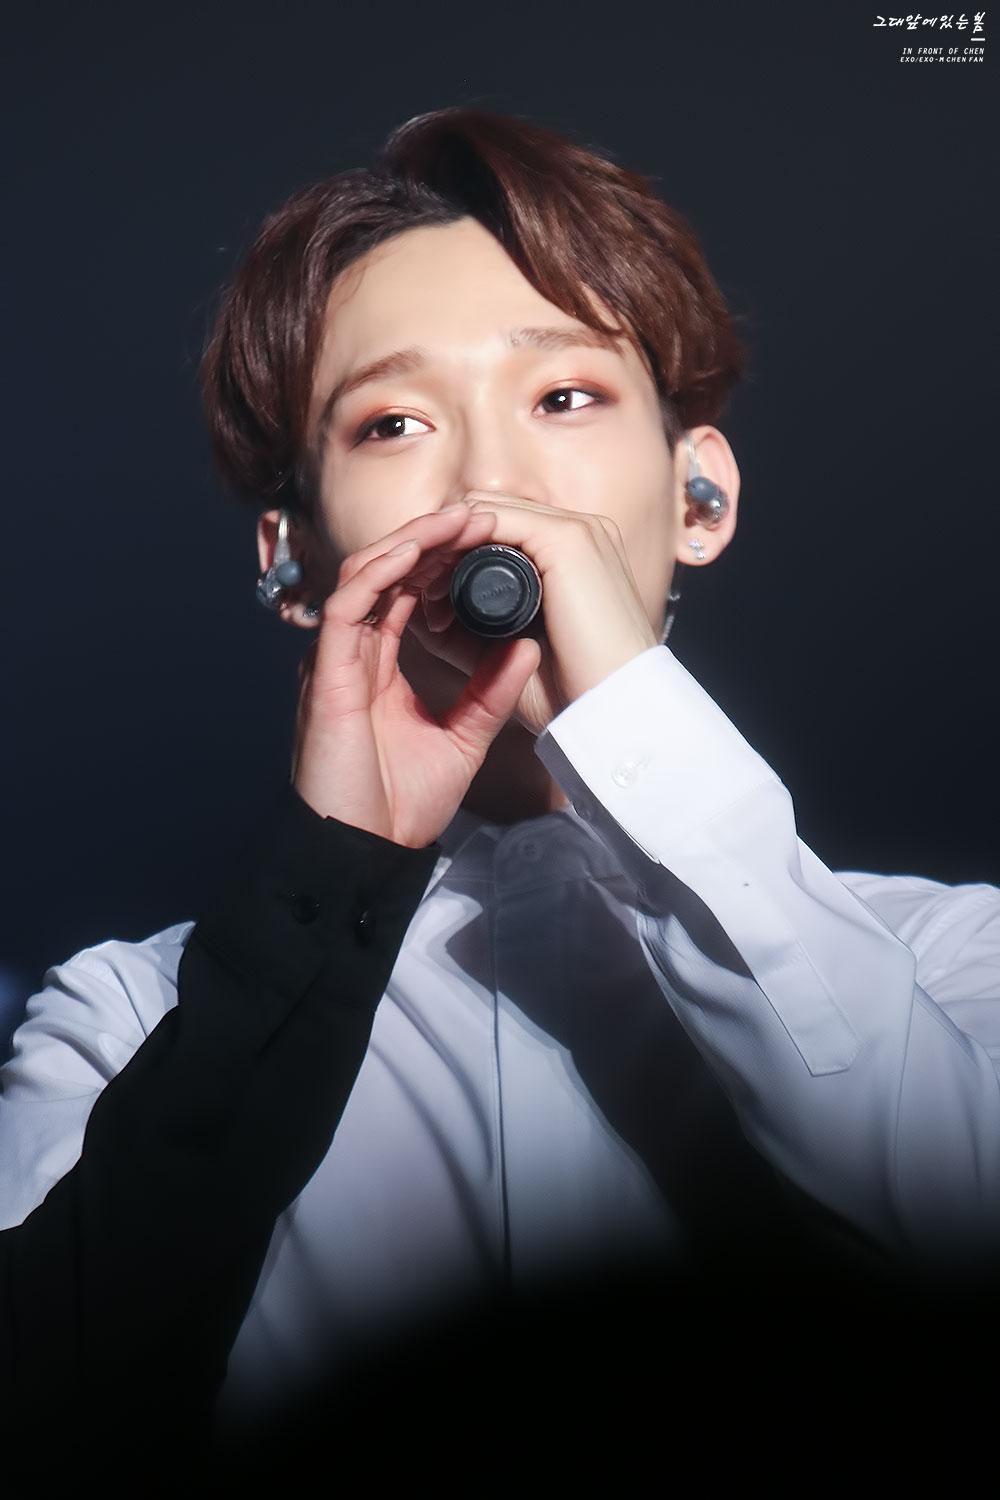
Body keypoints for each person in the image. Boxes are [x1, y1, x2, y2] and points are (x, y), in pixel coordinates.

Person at [2, 106, 999, 1483]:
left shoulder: (953, 962)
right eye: (394, 422)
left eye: (565, 398)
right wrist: (331, 870)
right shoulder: (125, 1024)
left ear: (699, 496)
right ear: (292, 561)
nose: (489, 481)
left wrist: (631, 720)